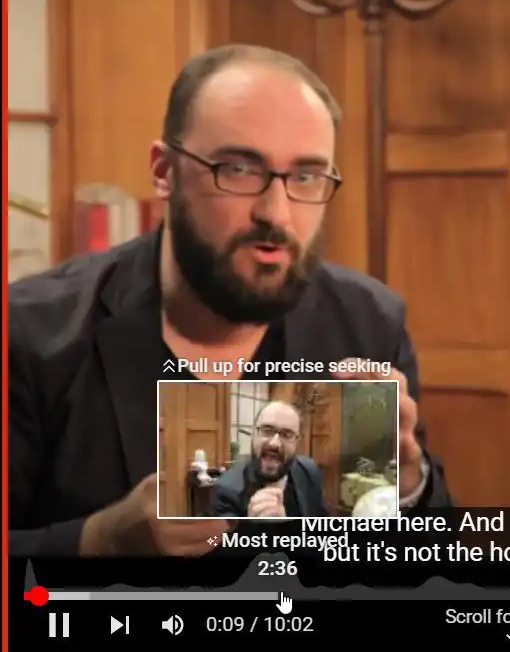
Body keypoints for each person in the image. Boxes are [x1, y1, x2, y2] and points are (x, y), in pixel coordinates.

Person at [10, 44, 453, 558]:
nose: (276, 213)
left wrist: (408, 482)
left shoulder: (367, 323)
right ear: (164, 170)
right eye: (240, 169)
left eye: (305, 176)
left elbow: (424, 557)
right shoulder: (31, 334)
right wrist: (99, 541)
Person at [209, 402, 329, 518]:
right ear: (253, 434)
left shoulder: (309, 471)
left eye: (287, 434)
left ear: (297, 442)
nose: (274, 443)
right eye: (267, 430)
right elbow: (219, 533)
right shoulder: (226, 490)